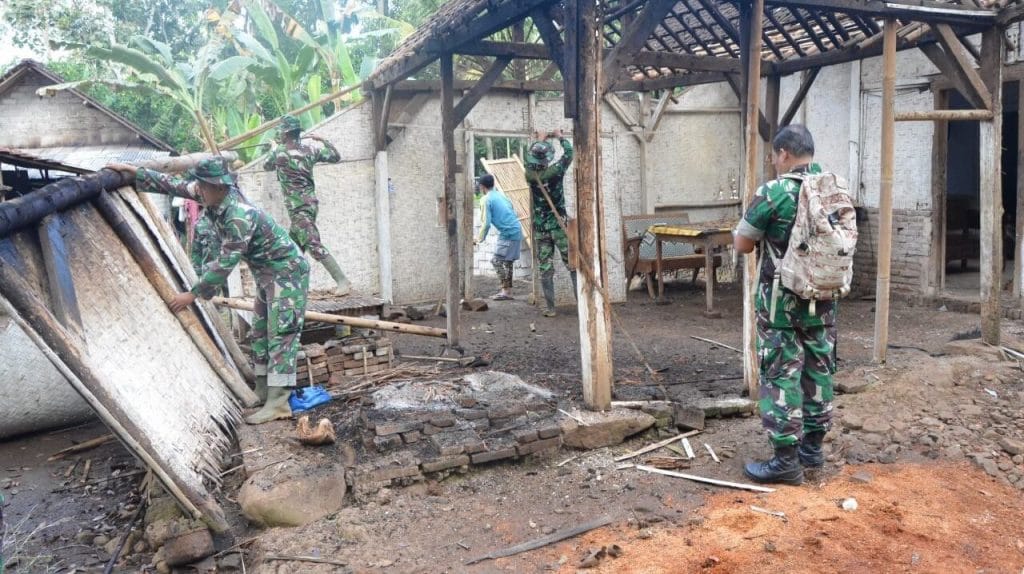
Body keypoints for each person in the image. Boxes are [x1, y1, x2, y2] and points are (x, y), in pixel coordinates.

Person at [106, 158, 310, 425]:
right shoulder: (211, 195)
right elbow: (176, 186)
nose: (198, 190)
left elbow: (225, 263)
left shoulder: (238, 215)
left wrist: (192, 294)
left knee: (281, 335)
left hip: (287, 274)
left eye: (203, 186)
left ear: (219, 187)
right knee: (260, 332)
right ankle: (262, 390)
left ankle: (279, 403)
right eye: (199, 185)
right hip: (267, 274)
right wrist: (137, 173)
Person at [733, 124, 836, 485]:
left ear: (785, 154)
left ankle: (785, 461)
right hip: (823, 300)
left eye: (776, 155)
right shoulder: (832, 187)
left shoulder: (775, 192)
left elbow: (743, 245)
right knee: (818, 369)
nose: (775, 161)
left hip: (781, 305)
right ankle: (813, 451)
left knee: (782, 374)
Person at [263, 114, 351, 295]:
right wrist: (323, 140)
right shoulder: (310, 150)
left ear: (285, 134)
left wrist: (272, 148)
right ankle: (283, 288)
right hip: (309, 206)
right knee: (291, 252)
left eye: (281, 133)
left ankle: (342, 281)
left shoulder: (280, 153)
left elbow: (267, 165)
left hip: (299, 210)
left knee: (313, 244)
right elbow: (335, 156)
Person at [525, 128, 576, 317]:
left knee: (545, 267)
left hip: (541, 229)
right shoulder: (555, 172)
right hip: (559, 226)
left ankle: (551, 308)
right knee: (572, 264)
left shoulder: (529, 175)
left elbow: (528, 158)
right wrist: (560, 137)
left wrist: (539, 139)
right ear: (547, 159)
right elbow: (569, 154)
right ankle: (582, 303)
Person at [475, 173, 523, 300]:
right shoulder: (501, 195)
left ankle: (505, 291)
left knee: (496, 261)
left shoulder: (486, 199)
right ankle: (507, 292)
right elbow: (512, 210)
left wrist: (479, 239)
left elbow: (486, 223)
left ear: (482, 186)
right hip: (516, 229)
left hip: (507, 233)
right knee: (508, 262)